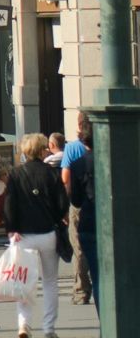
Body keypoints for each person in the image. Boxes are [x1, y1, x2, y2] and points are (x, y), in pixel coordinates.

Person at [2, 132, 68, 338]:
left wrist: (11, 228)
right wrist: (58, 218)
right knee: (50, 281)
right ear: (42, 150)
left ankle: (24, 325)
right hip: (48, 233)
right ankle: (49, 328)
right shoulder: (50, 173)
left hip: (23, 235)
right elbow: (61, 203)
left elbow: (9, 204)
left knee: (24, 283)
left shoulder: (15, 174)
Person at [61, 112, 96, 306]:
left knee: (79, 248)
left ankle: (82, 289)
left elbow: (65, 179)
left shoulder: (72, 150)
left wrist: (68, 206)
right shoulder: (106, 150)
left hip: (80, 206)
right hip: (100, 206)